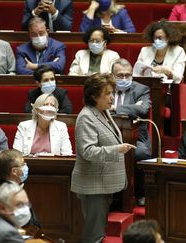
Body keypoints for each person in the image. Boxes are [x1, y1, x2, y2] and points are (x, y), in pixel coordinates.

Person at [71, 73, 136, 242]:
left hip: (102, 184)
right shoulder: (86, 117)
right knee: (94, 236)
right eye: (107, 93)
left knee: (98, 232)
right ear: (94, 96)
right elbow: (87, 151)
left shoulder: (102, 112)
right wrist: (117, 149)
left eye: (112, 92)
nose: (112, 97)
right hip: (93, 186)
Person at [111, 58, 152, 206]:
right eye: (120, 75)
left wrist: (116, 108)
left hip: (135, 138)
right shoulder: (105, 88)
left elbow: (143, 109)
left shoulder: (141, 89)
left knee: (141, 153)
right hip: (107, 134)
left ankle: (140, 193)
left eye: (127, 75)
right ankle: (109, 194)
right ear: (112, 76)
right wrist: (133, 107)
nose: (124, 79)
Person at [0, 149, 40, 227]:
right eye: (23, 164)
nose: (26, 166)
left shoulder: (9, 188)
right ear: (14, 171)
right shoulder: (5, 195)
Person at [133, 20, 186, 84]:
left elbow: (178, 77)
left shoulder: (178, 52)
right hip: (145, 88)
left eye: (160, 38)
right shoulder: (145, 51)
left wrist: (166, 71)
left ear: (168, 38)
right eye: (155, 38)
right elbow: (136, 74)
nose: (157, 41)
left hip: (167, 89)